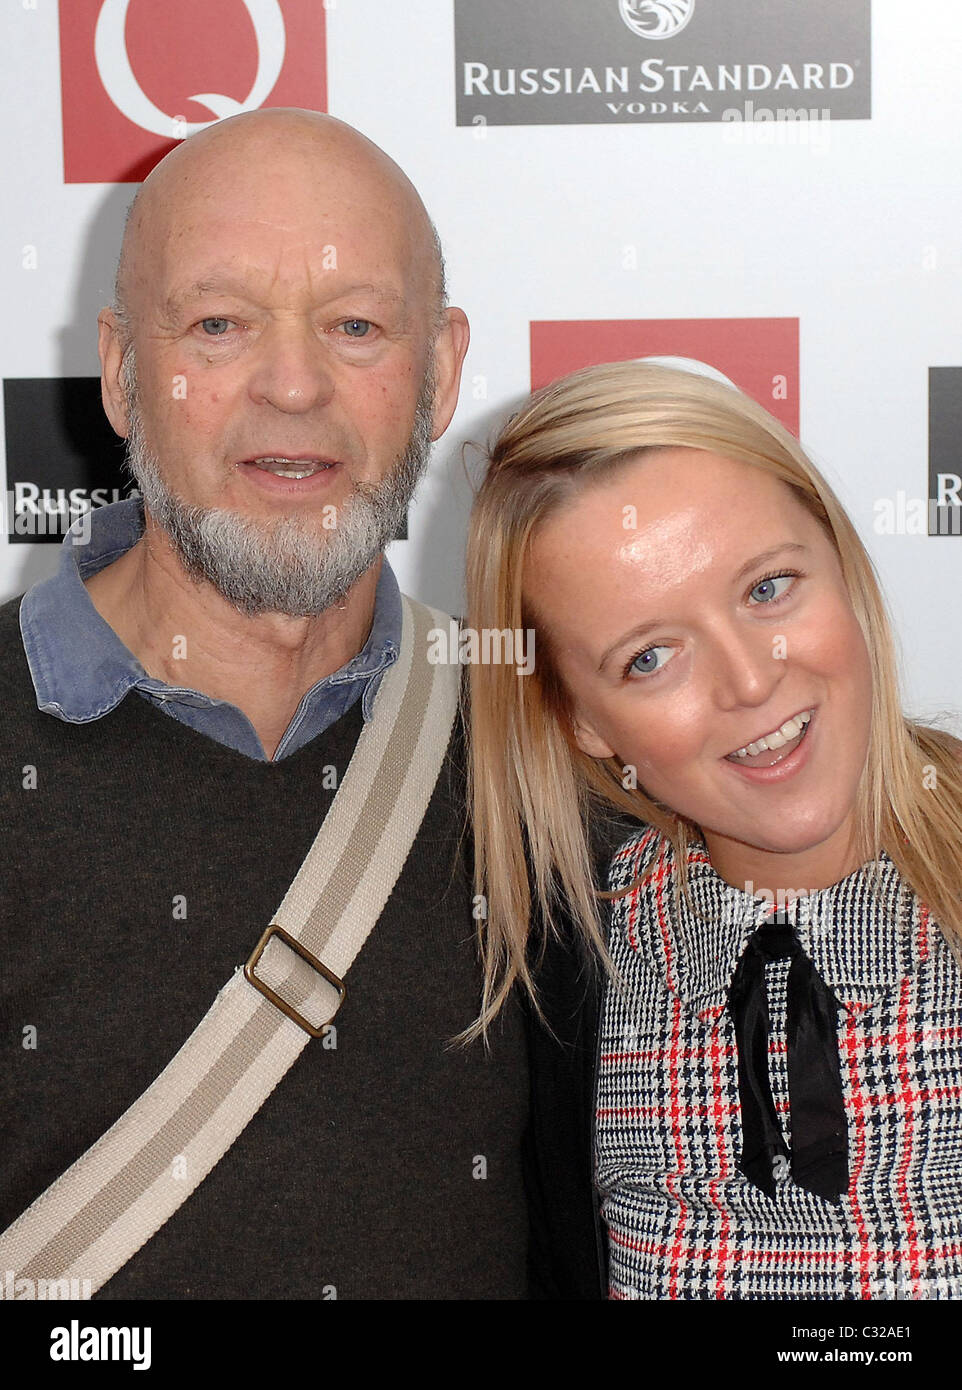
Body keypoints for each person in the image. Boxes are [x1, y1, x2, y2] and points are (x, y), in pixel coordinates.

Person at [0, 108, 530, 1300]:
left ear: (440, 370)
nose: (292, 385)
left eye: (353, 325)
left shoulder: (544, 754)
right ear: (124, 371)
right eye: (220, 324)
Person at [464, 359, 962, 1300]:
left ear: (845, 562)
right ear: (582, 720)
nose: (746, 681)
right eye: (650, 657)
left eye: (769, 589)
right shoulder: (573, 971)